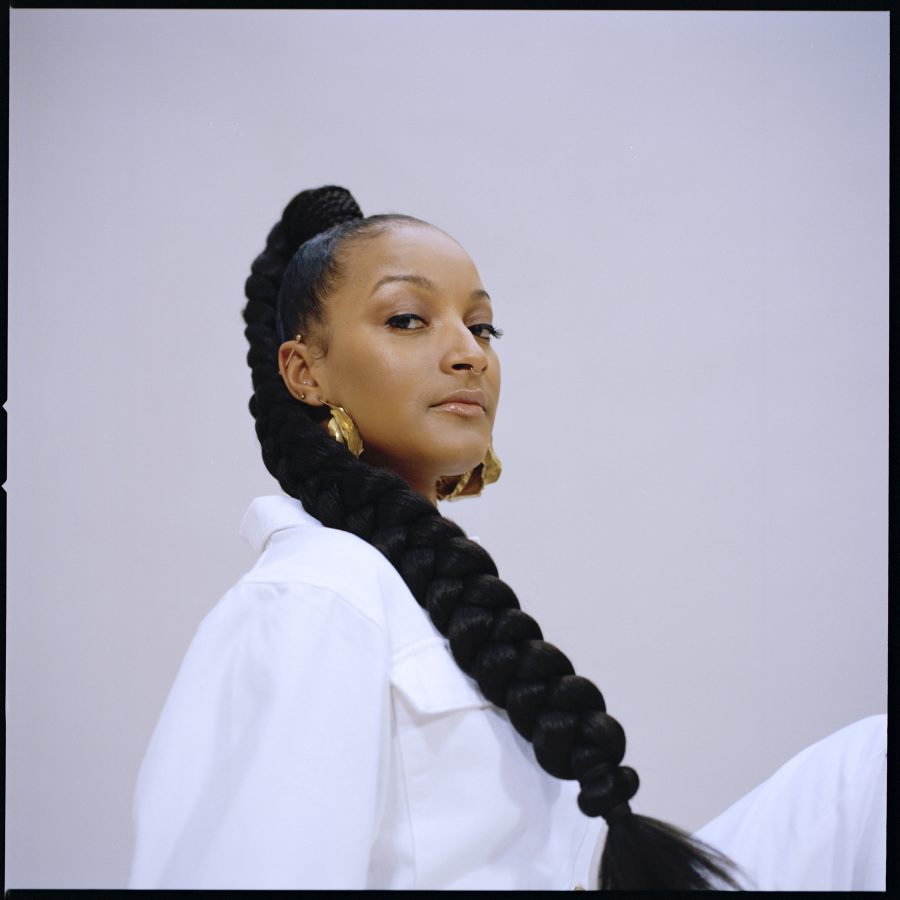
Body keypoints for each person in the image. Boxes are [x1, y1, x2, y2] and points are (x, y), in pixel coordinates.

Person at [128, 186, 885, 890]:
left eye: (481, 325)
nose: (469, 353)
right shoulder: (314, 600)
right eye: (407, 319)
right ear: (305, 373)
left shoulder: (410, 586)